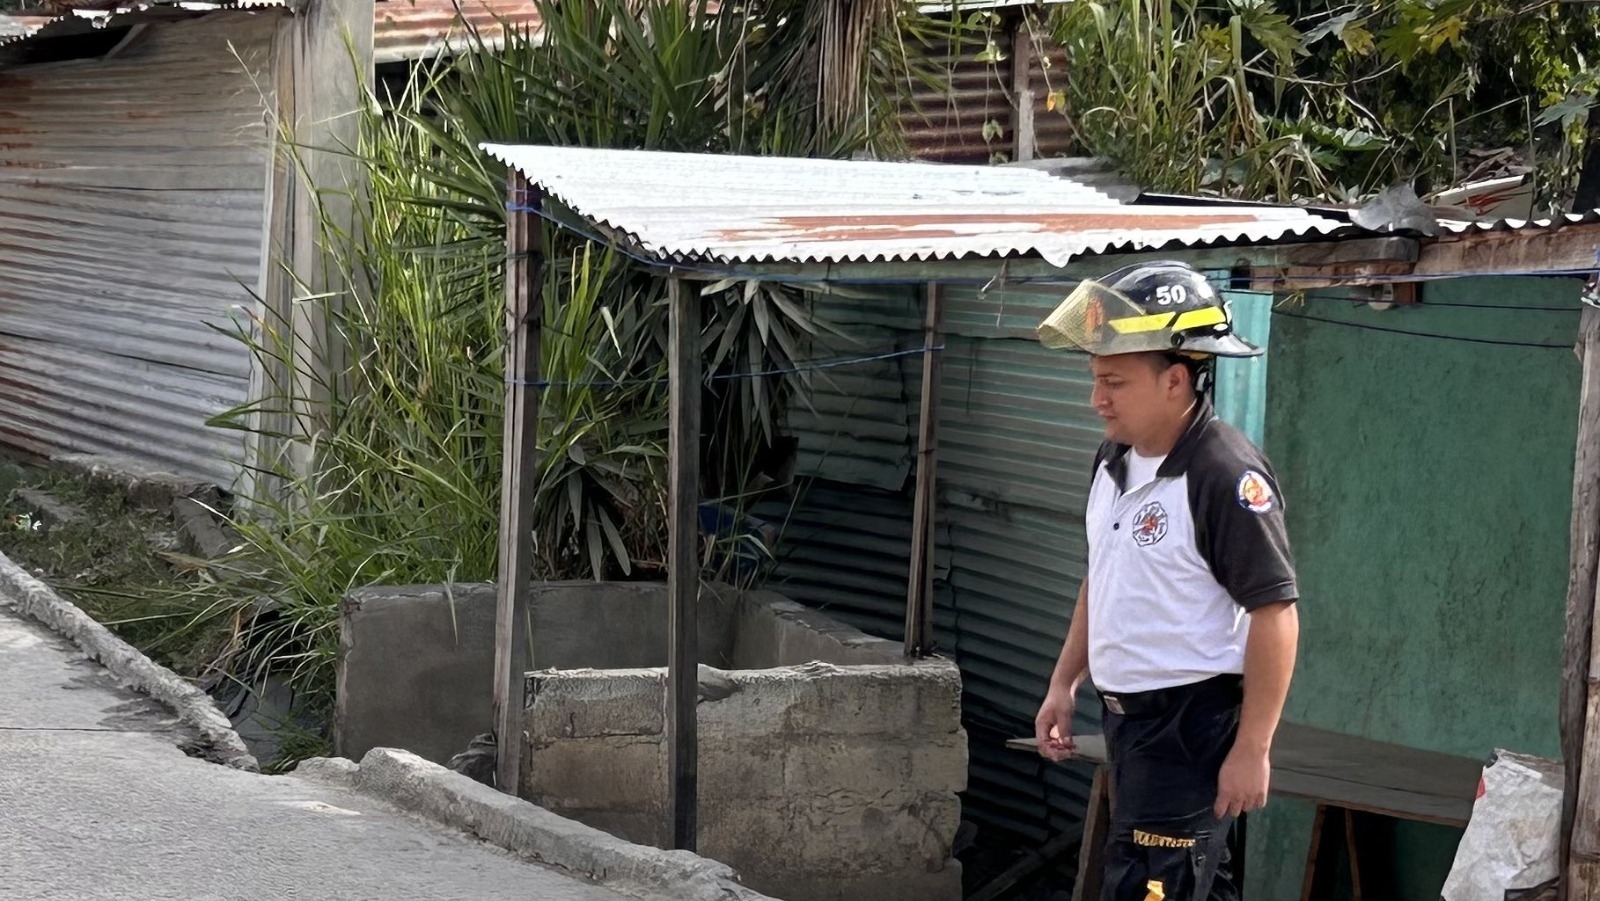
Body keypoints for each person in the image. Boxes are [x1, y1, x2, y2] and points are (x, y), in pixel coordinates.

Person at [1032, 260, 1301, 901]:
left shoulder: (1223, 474)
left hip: (1192, 725)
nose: (1097, 399)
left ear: (1176, 379)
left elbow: (1276, 613)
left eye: (1115, 382)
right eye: (1097, 380)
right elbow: (1105, 578)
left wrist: (1253, 749)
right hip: (1129, 725)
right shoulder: (1112, 461)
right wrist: (1064, 681)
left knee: (1155, 889)